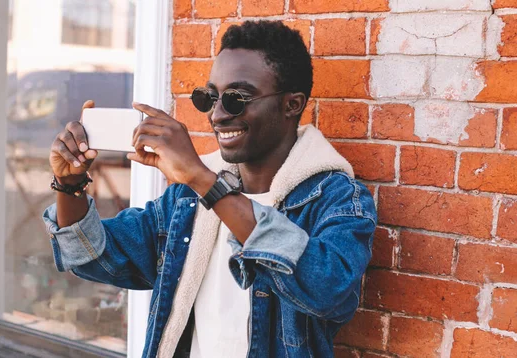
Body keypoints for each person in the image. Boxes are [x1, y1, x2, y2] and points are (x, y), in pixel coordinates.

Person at [43, 20, 376, 358]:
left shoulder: (337, 198)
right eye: (210, 97)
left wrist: (204, 181)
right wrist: (69, 184)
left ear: (291, 104)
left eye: (236, 98)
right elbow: (93, 257)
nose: (217, 115)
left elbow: (329, 289)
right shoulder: (187, 200)